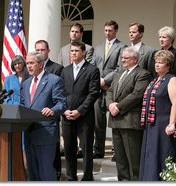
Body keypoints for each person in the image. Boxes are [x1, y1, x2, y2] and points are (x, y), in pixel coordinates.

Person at [106, 47, 150, 181]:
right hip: (116, 121)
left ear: (135, 59)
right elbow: (109, 91)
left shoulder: (142, 74)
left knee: (133, 160)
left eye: (126, 58)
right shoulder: (119, 73)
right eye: (122, 57)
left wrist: (118, 107)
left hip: (130, 121)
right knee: (120, 159)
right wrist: (110, 104)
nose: (123, 60)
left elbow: (137, 95)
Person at [21, 52, 66, 181]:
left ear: (40, 64)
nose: (28, 66)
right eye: (27, 63)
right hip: (29, 134)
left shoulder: (54, 80)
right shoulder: (26, 84)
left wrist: (52, 110)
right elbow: (23, 105)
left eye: (31, 63)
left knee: (46, 172)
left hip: (45, 133)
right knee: (32, 173)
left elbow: (62, 103)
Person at [139, 50, 176, 181]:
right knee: (151, 155)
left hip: (164, 125)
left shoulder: (172, 79)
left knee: (162, 155)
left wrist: (172, 124)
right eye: (156, 62)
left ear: (168, 65)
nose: (157, 65)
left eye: (161, 62)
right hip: (151, 125)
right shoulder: (155, 80)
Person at [61, 41, 100, 181]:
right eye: (71, 51)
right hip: (67, 116)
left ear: (83, 52)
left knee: (86, 149)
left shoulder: (92, 70)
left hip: (84, 117)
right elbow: (60, 93)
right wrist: (64, 110)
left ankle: (87, 178)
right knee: (69, 149)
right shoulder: (65, 70)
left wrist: (80, 111)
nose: (73, 53)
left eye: (76, 51)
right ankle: (71, 178)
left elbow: (93, 93)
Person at [92, 20, 127, 159]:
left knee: (115, 119)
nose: (107, 33)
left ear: (116, 31)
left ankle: (116, 151)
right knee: (98, 120)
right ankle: (98, 150)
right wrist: (98, 80)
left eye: (110, 30)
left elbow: (120, 68)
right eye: (105, 30)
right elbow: (93, 66)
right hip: (98, 89)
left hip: (113, 87)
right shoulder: (98, 47)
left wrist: (105, 80)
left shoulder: (121, 46)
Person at [35, 39, 64, 181]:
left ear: (48, 51)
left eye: (42, 50)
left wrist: (53, 110)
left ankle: (56, 173)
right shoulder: (32, 69)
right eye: (37, 50)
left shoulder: (57, 68)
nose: (40, 52)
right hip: (34, 117)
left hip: (51, 114)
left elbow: (59, 93)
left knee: (53, 147)